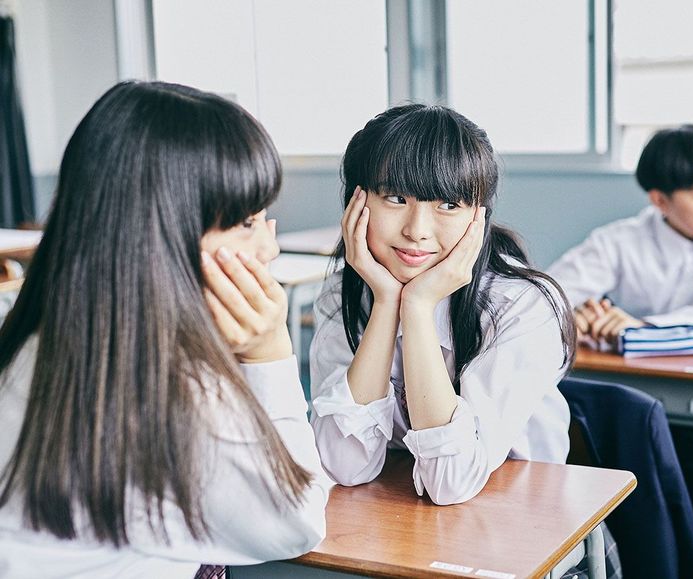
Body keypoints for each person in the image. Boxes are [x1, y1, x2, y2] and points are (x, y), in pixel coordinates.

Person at [0, 81, 332, 579]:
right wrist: (270, 353)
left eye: (266, 219)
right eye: (245, 221)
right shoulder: (166, 391)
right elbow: (296, 521)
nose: (268, 249)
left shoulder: (37, 336)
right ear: (158, 234)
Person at [309, 103, 619, 578]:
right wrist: (387, 302)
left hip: (525, 543)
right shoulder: (343, 296)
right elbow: (346, 466)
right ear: (356, 200)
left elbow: (448, 481)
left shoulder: (520, 306)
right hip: (397, 536)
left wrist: (416, 308)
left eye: (448, 204)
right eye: (395, 198)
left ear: (479, 216)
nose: (417, 229)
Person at [547, 125, 693, 528]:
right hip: (637, 400)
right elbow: (547, 296)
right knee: (574, 453)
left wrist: (639, 327)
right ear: (659, 200)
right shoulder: (620, 239)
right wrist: (574, 316)